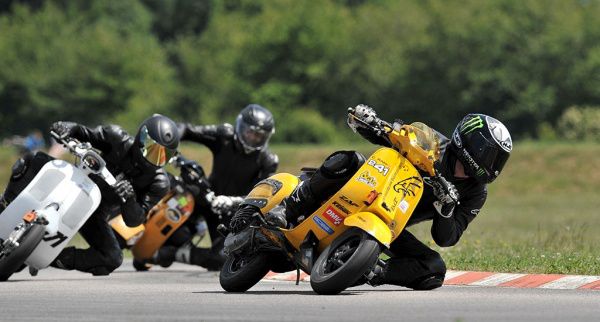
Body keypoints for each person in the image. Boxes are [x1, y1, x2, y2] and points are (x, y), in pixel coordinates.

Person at [266, 104, 512, 290]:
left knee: (434, 269)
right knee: (350, 160)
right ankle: (287, 209)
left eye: (498, 161)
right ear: (470, 141)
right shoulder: (434, 144)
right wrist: (370, 121)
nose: (492, 166)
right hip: (364, 191)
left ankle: (371, 270)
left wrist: (445, 209)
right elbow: (394, 136)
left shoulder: (476, 192)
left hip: (386, 225)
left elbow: (446, 238)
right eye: (490, 156)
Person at [0, 114, 180, 276]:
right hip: (73, 180)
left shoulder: (159, 183)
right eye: (152, 149)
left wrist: (130, 198)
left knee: (112, 258)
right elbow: (84, 132)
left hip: (94, 210)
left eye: (162, 156)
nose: (154, 159)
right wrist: (67, 127)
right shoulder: (117, 138)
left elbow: (135, 220)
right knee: (32, 160)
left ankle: (51, 257)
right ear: (141, 137)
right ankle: (5, 203)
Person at [154, 104, 279, 270]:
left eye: (259, 136)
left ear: (266, 137)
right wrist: (168, 137)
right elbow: (188, 129)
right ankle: (149, 222)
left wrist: (232, 201)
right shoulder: (224, 134)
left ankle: (174, 253)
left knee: (223, 258)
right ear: (241, 126)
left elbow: (264, 197)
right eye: (250, 132)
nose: (253, 138)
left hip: (230, 213)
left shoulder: (268, 160)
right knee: (182, 186)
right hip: (204, 196)